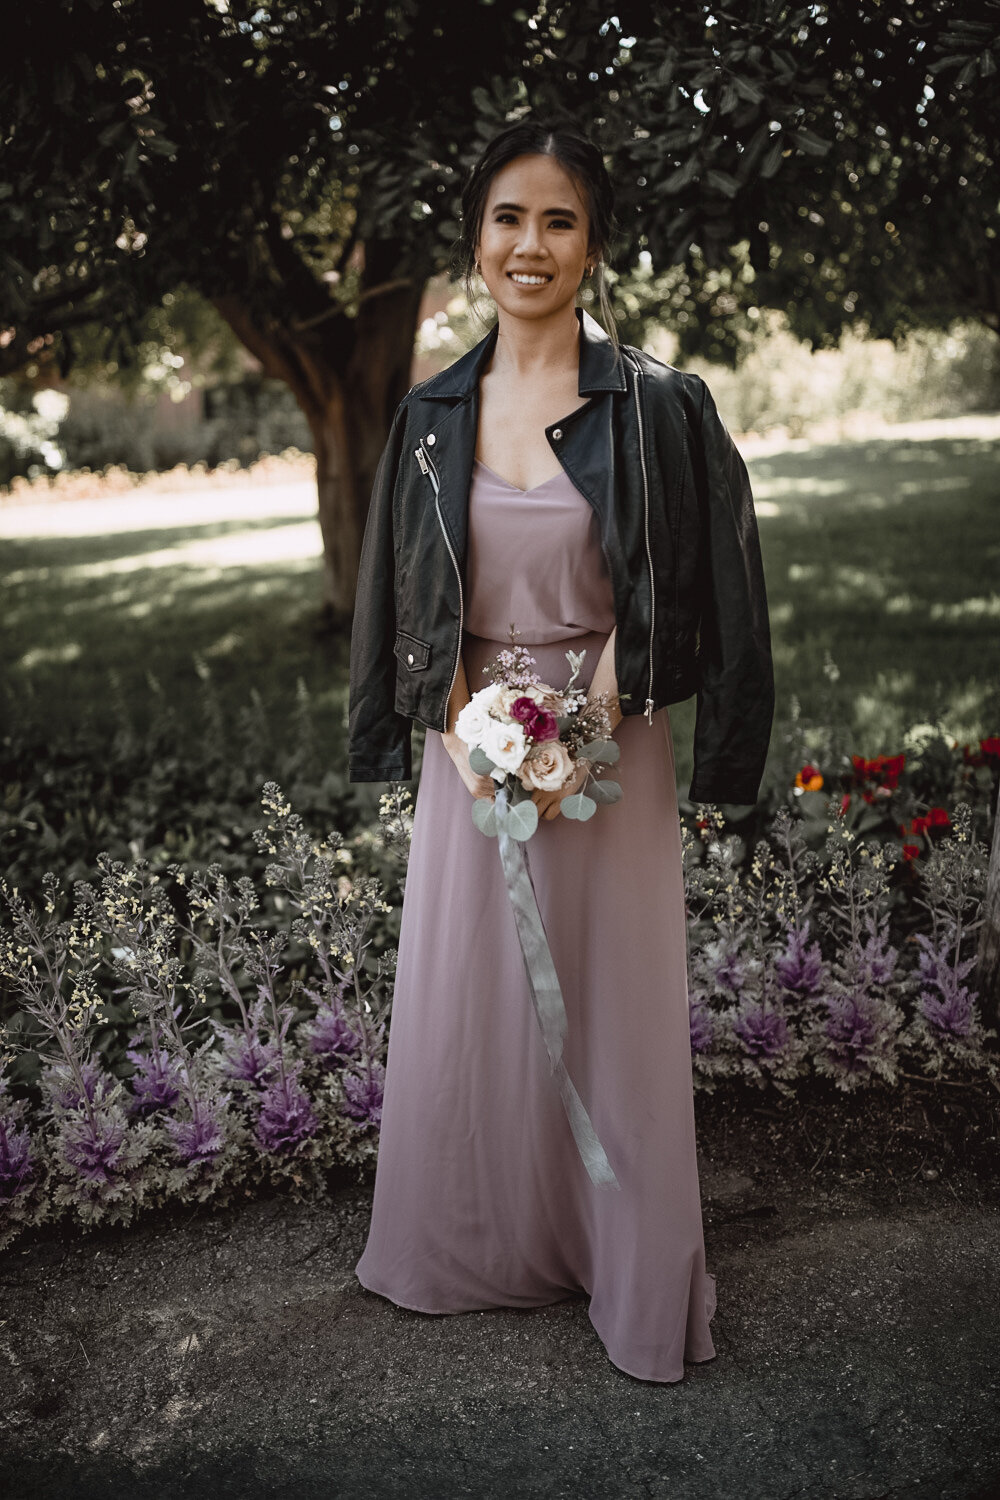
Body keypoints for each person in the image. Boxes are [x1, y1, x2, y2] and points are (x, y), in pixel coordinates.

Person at [347, 120, 774, 1383]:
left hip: (608, 739)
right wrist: (475, 735)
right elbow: (406, 596)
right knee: (472, 995)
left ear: (593, 243)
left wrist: (574, 732)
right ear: (476, 239)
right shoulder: (431, 411)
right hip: (468, 746)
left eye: (558, 220)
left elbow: (687, 589)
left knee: (609, 1002)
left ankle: (626, 1259)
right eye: (506, 219)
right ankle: (479, 1241)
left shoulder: (655, 406)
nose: (528, 244)